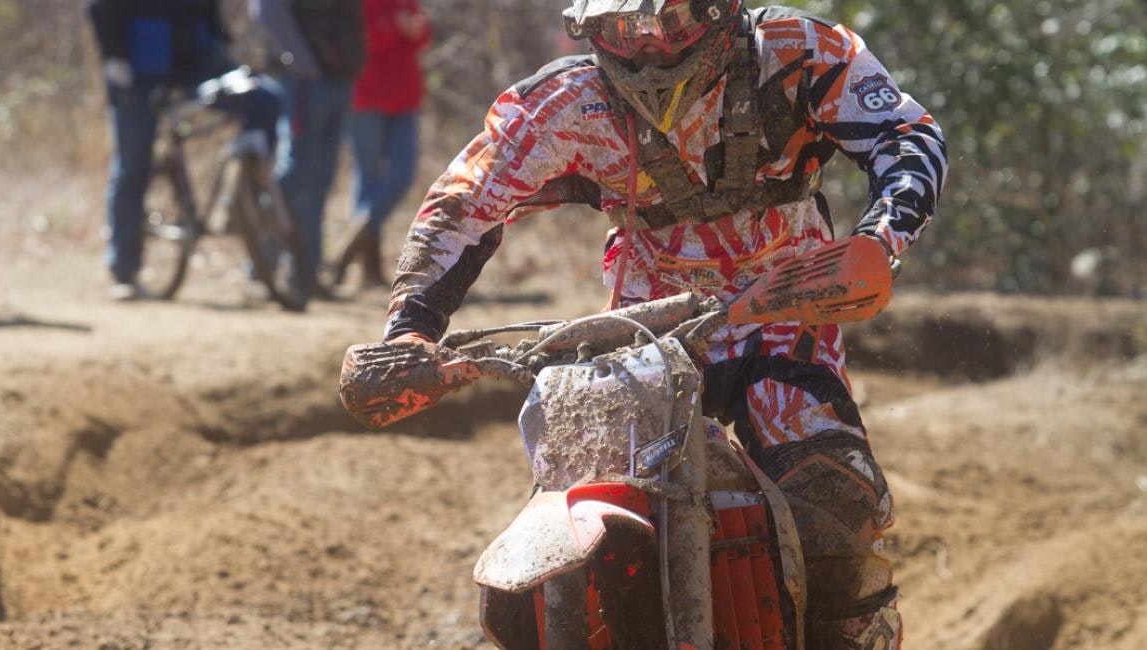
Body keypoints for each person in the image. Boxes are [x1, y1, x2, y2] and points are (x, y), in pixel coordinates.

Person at [380, 1, 947, 647]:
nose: (650, 48)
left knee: (832, 498)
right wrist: (410, 331)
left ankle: (853, 634)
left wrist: (882, 238)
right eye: (625, 29)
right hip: (647, 331)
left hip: (786, 309)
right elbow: (462, 205)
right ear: (589, 30)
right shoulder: (565, 98)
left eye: (671, 23)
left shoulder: (796, 49)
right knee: (597, 496)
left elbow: (907, 136)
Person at [88, 0, 282, 301]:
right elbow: (100, 8)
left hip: (199, 65)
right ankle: (123, 270)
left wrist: (221, 44)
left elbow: (211, 13)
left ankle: (243, 203)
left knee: (265, 98)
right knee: (133, 167)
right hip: (137, 72)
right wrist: (114, 56)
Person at [250, 0, 366, 296]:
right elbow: (266, 9)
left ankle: (306, 272)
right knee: (295, 174)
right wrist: (301, 61)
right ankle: (264, 265)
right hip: (306, 81)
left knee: (320, 178)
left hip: (339, 77)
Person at [326, 0, 432, 290]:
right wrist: (393, 27)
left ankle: (346, 249)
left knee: (402, 175)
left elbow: (422, 36)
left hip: (405, 94)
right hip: (366, 94)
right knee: (368, 178)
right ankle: (367, 271)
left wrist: (416, 29)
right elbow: (353, 40)